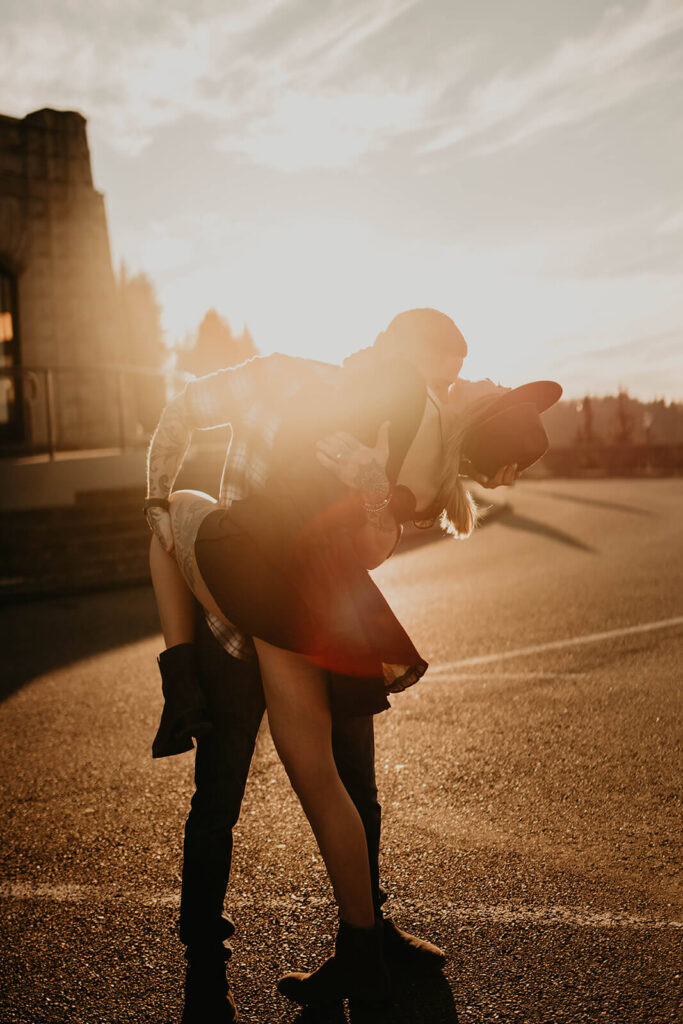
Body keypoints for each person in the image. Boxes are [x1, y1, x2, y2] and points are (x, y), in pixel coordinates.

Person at [145, 309, 547, 1022]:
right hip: (304, 603)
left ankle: (360, 940)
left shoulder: (397, 412)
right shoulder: (346, 399)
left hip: (274, 586)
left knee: (339, 786)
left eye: (459, 377)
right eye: (448, 368)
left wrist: (368, 485)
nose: (456, 379)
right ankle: (300, 950)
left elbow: (369, 536)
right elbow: (187, 409)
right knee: (275, 788)